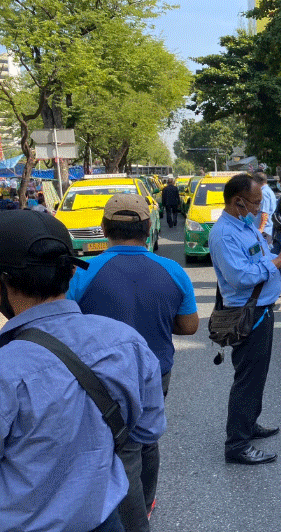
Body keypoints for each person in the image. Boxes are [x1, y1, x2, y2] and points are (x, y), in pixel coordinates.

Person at [0, 210, 165, 532]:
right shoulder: (126, 341)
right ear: (72, 271)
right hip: (105, 520)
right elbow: (147, 431)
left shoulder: (7, 367)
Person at [67, 194, 198, 530]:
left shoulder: (83, 272)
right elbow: (189, 326)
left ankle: (124, 512)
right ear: (148, 227)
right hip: (155, 372)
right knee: (145, 438)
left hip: (97, 377)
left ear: (103, 227)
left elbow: (67, 323)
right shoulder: (173, 270)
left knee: (112, 442)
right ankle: (145, 501)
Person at [207, 173, 281, 465]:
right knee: (247, 380)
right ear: (238, 201)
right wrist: (279, 261)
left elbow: (258, 260)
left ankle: (248, 424)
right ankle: (237, 445)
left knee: (257, 376)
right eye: (255, 202)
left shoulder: (245, 225)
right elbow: (240, 277)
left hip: (261, 310)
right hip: (247, 314)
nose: (259, 208)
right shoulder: (225, 234)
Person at [254, 171, 276, 246]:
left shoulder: (263, 193)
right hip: (267, 229)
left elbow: (265, 213)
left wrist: (260, 229)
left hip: (264, 231)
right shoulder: (269, 191)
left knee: (264, 250)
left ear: (256, 182)